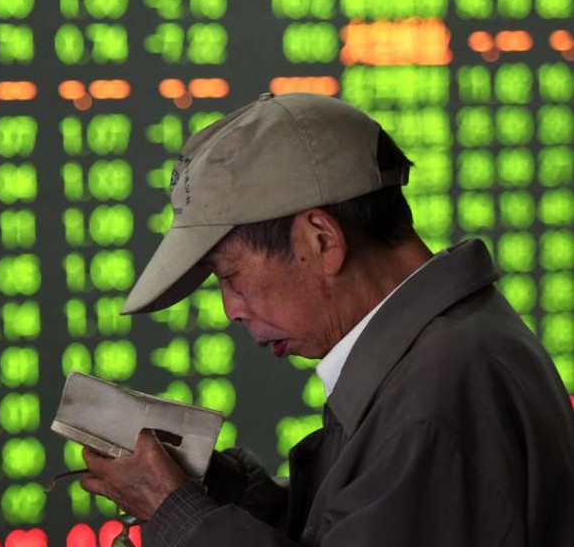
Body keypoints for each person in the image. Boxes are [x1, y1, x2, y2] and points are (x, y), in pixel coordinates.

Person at [79, 93, 574, 545]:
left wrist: (180, 517)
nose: (231, 309)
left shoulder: (438, 398)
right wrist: (230, 496)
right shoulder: (443, 355)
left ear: (322, 240)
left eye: (230, 276)